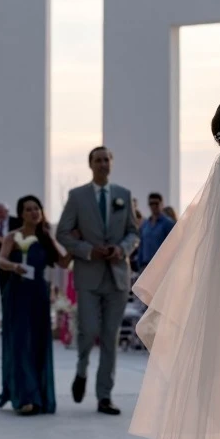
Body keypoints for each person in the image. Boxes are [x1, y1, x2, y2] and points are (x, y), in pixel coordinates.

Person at [56, 146, 139, 415]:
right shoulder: (77, 196)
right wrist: (86, 250)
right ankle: (81, 371)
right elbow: (63, 232)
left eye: (106, 160)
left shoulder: (123, 195)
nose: (103, 164)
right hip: (89, 273)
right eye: (98, 160)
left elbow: (133, 233)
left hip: (117, 275)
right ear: (90, 164)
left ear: (111, 164)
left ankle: (104, 396)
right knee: (89, 330)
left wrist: (122, 249)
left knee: (109, 337)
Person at [0, 195, 70, 415]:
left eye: (36, 208)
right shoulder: (12, 236)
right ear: (21, 214)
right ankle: (25, 397)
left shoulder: (46, 237)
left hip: (38, 294)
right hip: (17, 293)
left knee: (38, 342)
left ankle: (40, 395)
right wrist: (13, 266)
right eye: (28, 209)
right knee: (19, 342)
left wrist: (75, 242)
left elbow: (63, 262)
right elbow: (0, 259)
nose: (33, 212)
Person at [134, 193, 175, 274]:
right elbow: (141, 245)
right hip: (145, 266)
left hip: (161, 267)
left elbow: (173, 246)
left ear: (161, 204)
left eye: (156, 203)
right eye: (151, 204)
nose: (153, 206)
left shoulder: (168, 223)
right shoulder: (145, 224)